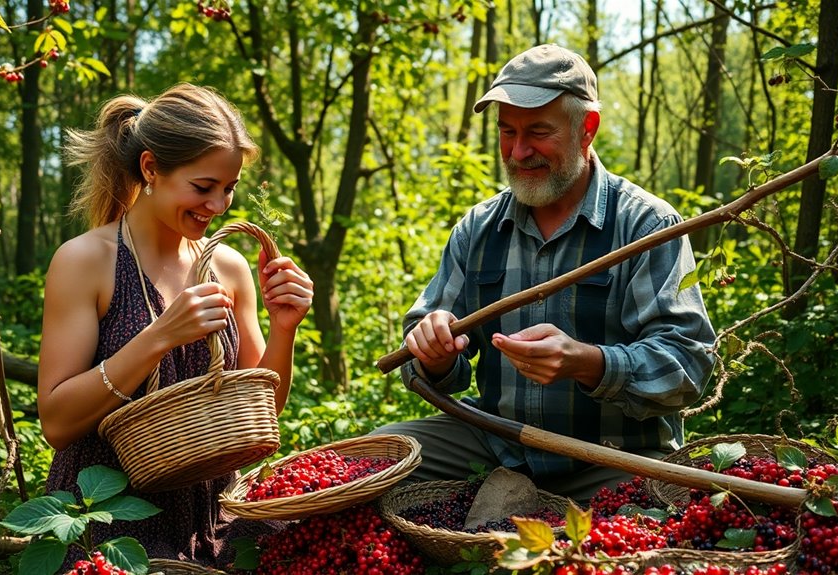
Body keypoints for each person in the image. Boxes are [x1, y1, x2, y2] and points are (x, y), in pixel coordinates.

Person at [372, 44, 716, 502]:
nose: (518, 151)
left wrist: (589, 363)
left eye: (538, 131)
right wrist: (433, 354)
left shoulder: (646, 226)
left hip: (612, 457)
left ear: (586, 129)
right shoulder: (479, 228)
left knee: (656, 519)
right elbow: (429, 342)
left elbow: (687, 365)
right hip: (495, 441)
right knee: (374, 462)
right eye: (507, 132)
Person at [37, 83, 313, 568]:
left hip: (215, 512)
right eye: (203, 187)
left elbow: (260, 413)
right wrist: (160, 335)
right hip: (112, 515)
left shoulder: (227, 266)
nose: (219, 205)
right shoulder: (86, 261)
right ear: (150, 169)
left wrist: (284, 327)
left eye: (228, 188)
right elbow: (57, 422)